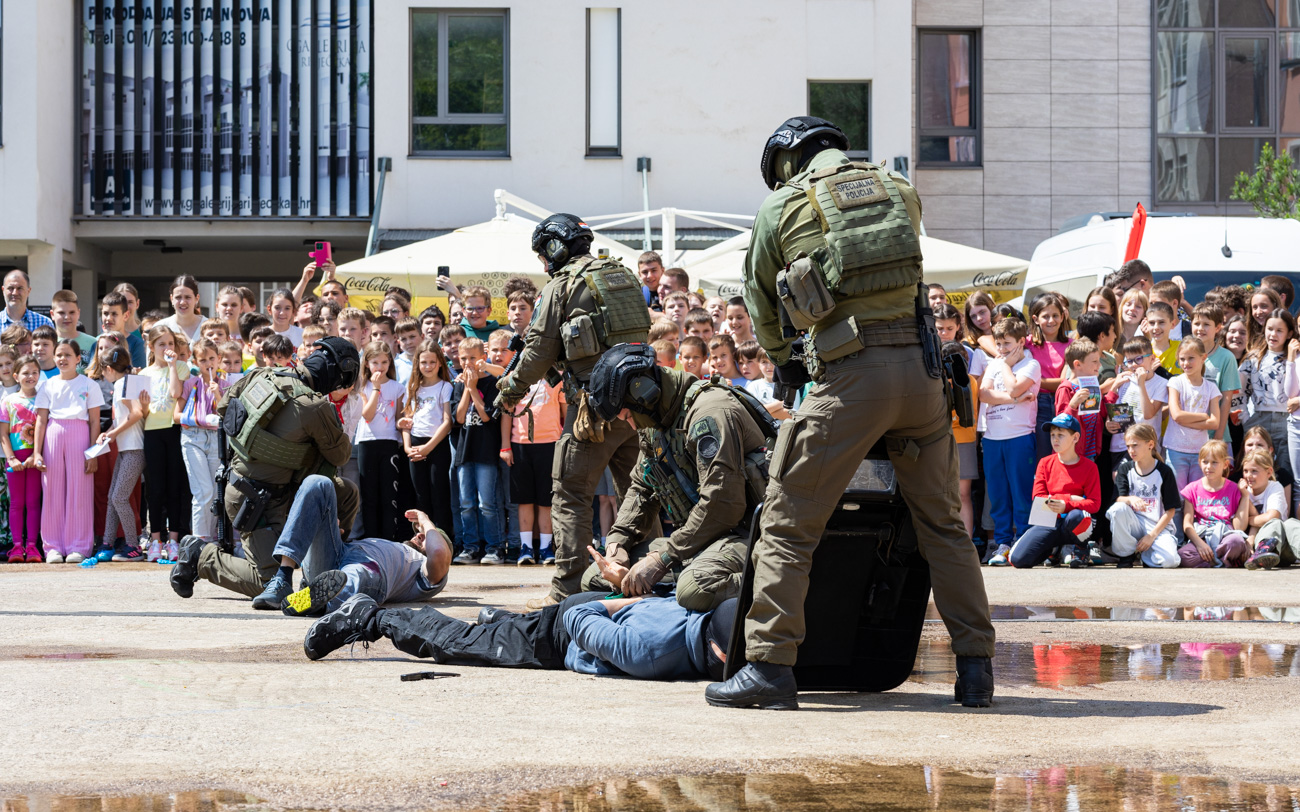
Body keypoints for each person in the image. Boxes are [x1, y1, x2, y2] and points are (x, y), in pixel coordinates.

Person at [711, 116, 994, 710]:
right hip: (922, 379)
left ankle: (769, 666)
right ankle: (975, 669)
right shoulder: (898, 189)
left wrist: (789, 363)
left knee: (788, 525)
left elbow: (763, 305)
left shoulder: (784, 205)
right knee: (943, 525)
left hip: (848, 379)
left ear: (787, 162)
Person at [494, 213, 651, 609]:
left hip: (592, 410)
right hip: (639, 406)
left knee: (569, 493)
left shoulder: (561, 286)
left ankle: (568, 591)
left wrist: (509, 390)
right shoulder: (622, 276)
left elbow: (539, 351)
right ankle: (647, 577)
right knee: (640, 493)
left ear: (552, 247)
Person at [579, 343, 778, 611]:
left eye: (627, 415)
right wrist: (618, 544)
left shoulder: (710, 413)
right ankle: (657, 596)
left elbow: (722, 505)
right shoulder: (654, 419)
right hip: (701, 540)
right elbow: (642, 486)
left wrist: (662, 558)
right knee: (594, 578)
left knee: (695, 589)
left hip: (748, 536)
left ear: (643, 394)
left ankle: (782, 579)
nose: (630, 424)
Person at [168, 337, 361, 605]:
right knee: (268, 584)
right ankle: (200, 556)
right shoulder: (314, 406)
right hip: (258, 504)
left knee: (345, 493)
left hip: (258, 489)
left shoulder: (261, 374)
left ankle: (323, 564)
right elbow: (340, 454)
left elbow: (225, 408)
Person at [302, 572, 738, 687]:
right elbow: (575, 619)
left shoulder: (699, 615)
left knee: (499, 630)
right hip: (560, 632)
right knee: (454, 643)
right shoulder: (649, 650)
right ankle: (369, 617)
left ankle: (502, 620)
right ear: (719, 656)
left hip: (585, 617)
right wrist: (624, 599)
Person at [249, 475, 451, 617]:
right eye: (420, 533)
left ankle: (308, 602)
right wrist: (330, 533)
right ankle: (284, 577)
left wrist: (425, 521)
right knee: (317, 482)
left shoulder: (423, 568)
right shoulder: (395, 546)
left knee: (358, 574)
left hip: (369, 570)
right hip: (339, 555)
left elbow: (440, 552)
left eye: (426, 537)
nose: (420, 535)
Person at [33, 340, 103, 563]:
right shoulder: (47, 385)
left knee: (80, 490)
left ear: (77, 358)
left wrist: (92, 453)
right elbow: (41, 420)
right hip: (53, 434)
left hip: (80, 434)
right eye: (59, 355)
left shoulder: (89, 384)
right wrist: (37, 452)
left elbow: (94, 422)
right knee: (52, 490)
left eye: (67, 355)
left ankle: (79, 546)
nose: (62, 359)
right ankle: (52, 547)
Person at [981, 318, 1042, 566]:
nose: (1002, 348)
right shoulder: (994, 363)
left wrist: (1006, 367)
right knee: (998, 494)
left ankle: (1023, 541)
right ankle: (1003, 542)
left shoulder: (1031, 364)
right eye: (998, 343)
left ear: (1021, 341)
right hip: (993, 439)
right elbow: (983, 393)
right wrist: (1014, 399)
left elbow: (1016, 387)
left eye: (1007, 343)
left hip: (1019, 437)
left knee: (1021, 492)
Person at [1008, 414, 1100, 569]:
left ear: (1075, 438)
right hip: (1048, 520)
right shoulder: (1045, 463)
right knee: (1018, 560)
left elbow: (1095, 504)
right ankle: (1053, 550)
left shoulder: (1090, 467)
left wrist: (1066, 505)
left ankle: (1081, 549)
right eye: (1052, 435)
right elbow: (1038, 497)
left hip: (1073, 520)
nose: (1055, 439)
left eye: (1060, 435)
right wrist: (1071, 498)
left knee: (1078, 516)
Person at [451, 337, 504, 564]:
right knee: (466, 503)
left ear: (483, 358)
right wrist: (466, 389)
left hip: (486, 451)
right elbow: (460, 417)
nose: (467, 362)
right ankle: (470, 547)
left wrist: (473, 389)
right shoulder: (458, 383)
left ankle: (494, 548)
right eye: (463, 358)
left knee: (487, 504)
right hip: (465, 451)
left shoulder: (492, 383)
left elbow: (486, 415)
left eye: (472, 358)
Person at [94, 346, 148, 562]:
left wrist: (113, 433)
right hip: (127, 448)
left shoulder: (123, 384)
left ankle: (133, 545)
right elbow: (126, 417)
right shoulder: (123, 383)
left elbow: (136, 413)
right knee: (112, 496)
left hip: (135, 448)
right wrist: (107, 433)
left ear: (108, 369)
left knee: (119, 497)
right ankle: (107, 541)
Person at [141, 325, 189, 561]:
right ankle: (155, 539)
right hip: (151, 432)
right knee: (155, 487)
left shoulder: (180, 366)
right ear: (151, 347)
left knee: (174, 486)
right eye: (161, 344)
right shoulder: (142, 374)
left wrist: (172, 365)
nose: (167, 348)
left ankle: (173, 540)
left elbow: (174, 393)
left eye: (170, 343)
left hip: (174, 430)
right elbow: (140, 411)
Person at [175, 338, 230, 541]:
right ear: (196, 362)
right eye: (203, 359)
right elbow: (176, 415)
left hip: (217, 438)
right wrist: (200, 419)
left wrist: (217, 393)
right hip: (193, 438)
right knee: (203, 491)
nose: (208, 363)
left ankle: (213, 539)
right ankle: (199, 542)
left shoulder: (225, 385)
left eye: (212, 358)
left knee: (216, 493)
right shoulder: (191, 384)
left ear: (219, 359)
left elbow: (229, 415)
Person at [1106, 424, 1180, 569]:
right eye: (1128, 446)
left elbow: (1171, 510)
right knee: (1117, 509)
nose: (1130, 450)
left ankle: (1144, 555)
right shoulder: (1125, 468)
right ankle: (1126, 555)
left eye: (1135, 445)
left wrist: (1151, 536)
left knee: (1170, 561)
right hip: (1134, 523)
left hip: (1157, 527)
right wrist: (1130, 499)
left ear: (1150, 445)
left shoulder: (1164, 471)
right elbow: (1117, 499)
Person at [356, 340, 407, 543]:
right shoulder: (363, 386)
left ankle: (388, 539)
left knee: (389, 495)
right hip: (367, 443)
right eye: (375, 362)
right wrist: (376, 389)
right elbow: (367, 415)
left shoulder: (397, 387)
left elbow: (398, 419)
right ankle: (370, 539)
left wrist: (405, 421)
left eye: (384, 362)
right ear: (367, 364)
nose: (380, 367)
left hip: (389, 443)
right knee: (369, 495)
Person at [1239, 308, 1295, 470]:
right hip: (1259, 419)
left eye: (1279, 331)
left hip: (1288, 420)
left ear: (1289, 334)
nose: (1273, 334)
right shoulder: (1253, 358)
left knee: (1286, 469)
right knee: (1255, 468)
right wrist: (1245, 419)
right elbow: (1239, 390)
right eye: (1270, 329)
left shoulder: (1296, 359)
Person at [1179, 440, 1249, 568]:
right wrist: (1200, 544)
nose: (1209, 467)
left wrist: (1245, 496)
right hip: (1203, 537)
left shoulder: (1234, 489)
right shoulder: (1192, 489)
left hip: (1225, 537)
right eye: (1205, 462)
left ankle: (1213, 560)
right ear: (1199, 462)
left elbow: (1239, 528)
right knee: (1182, 556)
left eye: (1214, 462)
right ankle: (1224, 560)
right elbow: (1187, 523)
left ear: (1225, 464)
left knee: (1236, 541)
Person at [1165, 338, 1222, 491]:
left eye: (1191, 358)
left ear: (1203, 358)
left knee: (1197, 495)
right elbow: (1176, 415)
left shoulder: (1211, 387)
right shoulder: (1175, 382)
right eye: (1182, 359)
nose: (1186, 363)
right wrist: (1204, 417)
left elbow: (1215, 423)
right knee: (1177, 496)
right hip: (1176, 448)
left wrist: (1185, 420)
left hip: (1200, 451)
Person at [1, 356, 43, 562]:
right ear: (16, 376)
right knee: (17, 503)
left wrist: (37, 454)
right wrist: (11, 459)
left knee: (34, 502)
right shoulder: (8, 401)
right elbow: (3, 434)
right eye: (26, 373)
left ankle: (33, 546)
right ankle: (17, 546)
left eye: (34, 372)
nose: (31, 377)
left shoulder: (44, 399)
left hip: (36, 459)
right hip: (15, 459)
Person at [1240, 449, 1287, 571]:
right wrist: (1245, 496)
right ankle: (1260, 554)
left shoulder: (1275, 487)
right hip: (1252, 542)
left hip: (1279, 543)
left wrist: (1248, 520)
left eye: (1254, 471)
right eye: (1245, 471)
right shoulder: (1244, 490)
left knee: (1282, 524)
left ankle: (1263, 552)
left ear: (1269, 472)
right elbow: (1238, 524)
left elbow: (1271, 517)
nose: (1248, 475)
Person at [157, 275, 205, 344]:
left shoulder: (210, 327)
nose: (182, 302)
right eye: (178, 297)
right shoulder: (160, 327)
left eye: (187, 297)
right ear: (171, 299)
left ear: (197, 298)